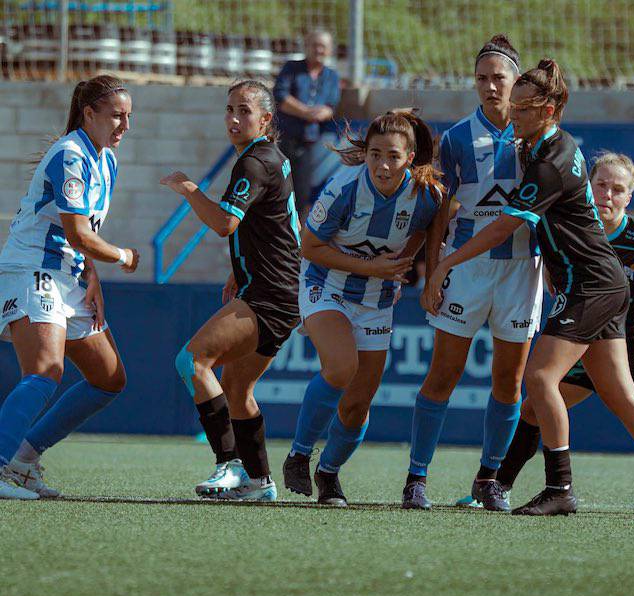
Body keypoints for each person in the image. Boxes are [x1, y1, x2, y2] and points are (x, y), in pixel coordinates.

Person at [423, 58, 634, 519]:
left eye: (524, 108)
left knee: (539, 379)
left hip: (589, 285)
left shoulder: (550, 159)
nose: (513, 114)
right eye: (513, 105)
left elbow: (503, 228)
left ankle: (560, 487)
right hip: (601, 282)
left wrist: (444, 264)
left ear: (549, 111)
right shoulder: (542, 145)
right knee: (617, 392)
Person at [495, 152, 634, 503]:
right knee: (534, 407)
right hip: (593, 338)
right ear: (587, 187)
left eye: (617, 189)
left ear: (629, 197)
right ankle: (498, 486)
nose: (607, 194)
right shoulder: (572, 232)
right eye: (600, 185)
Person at [401, 35, 543, 511]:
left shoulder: (539, 138)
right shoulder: (459, 137)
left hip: (523, 270)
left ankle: (489, 480)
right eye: (481, 78)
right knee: (444, 372)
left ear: (516, 81)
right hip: (467, 266)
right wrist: (434, 267)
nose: (489, 86)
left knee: (510, 380)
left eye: (498, 77)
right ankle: (416, 478)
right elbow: (440, 207)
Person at [282, 110, 442, 506]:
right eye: (374, 154)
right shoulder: (344, 187)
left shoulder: (425, 195)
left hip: (376, 300)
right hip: (326, 285)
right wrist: (374, 266)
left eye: (392, 155)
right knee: (340, 368)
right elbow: (309, 246)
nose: (382, 165)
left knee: (357, 405)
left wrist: (404, 264)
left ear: (409, 159)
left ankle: (329, 474)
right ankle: (299, 454)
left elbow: (426, 226)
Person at [161, 80, 300, 502]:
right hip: (279, 288)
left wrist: (189, 190)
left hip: (271, 294)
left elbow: (225, 223)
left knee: (192, 361)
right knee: (238, 390)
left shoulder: (254, 162)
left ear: (265, 119)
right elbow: (279, 226)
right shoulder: (269, 158)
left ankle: (230, 465)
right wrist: (243, 268)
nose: (234, 119)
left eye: (244, 110)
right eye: (229, 110)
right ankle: (260, 482)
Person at [0, 75, 138, 500]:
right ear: (89, 113)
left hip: (71, 275)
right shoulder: (70, 154)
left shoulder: (107, 159)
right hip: (32, 269)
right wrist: (122, 257)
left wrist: (92, 274)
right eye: (116, 115)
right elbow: (79, 234)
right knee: (45, 370)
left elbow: (83, 232)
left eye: (129, 116)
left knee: (108, 377)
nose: (124, 126)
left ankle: (22, 461)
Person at [273, 29, 341, 216]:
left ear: (330, 50)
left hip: (307, 143)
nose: (319, 50)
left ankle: (295, 239)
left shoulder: (331, 76)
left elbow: (331, 106)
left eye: (323, 46)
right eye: (315, 45)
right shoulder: (292, 68)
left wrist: (322, 113)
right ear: (307, 47)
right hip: (282, 140)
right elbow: (280, 97)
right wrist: (306, 112)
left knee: (301, 196)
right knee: (276, 190)